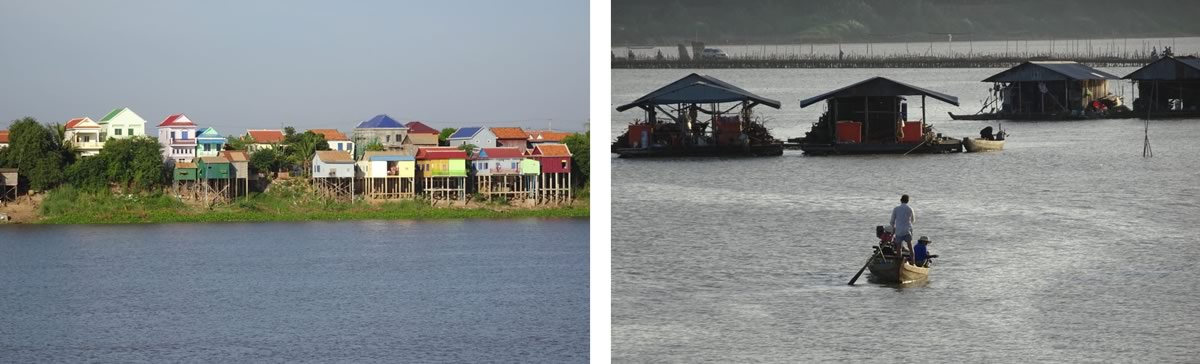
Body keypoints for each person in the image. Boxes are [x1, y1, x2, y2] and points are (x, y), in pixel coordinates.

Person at [889, 194, 916, 262]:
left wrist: (894, 228)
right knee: (910, 246)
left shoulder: (896, 209)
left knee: (899, 247)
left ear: (901, 200)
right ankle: (913, 261)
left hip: (899, 230)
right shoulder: (910, 209)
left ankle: (899, 261)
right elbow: (913, 220)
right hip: (907, 230)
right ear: (908, 201)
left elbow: (892, 221)